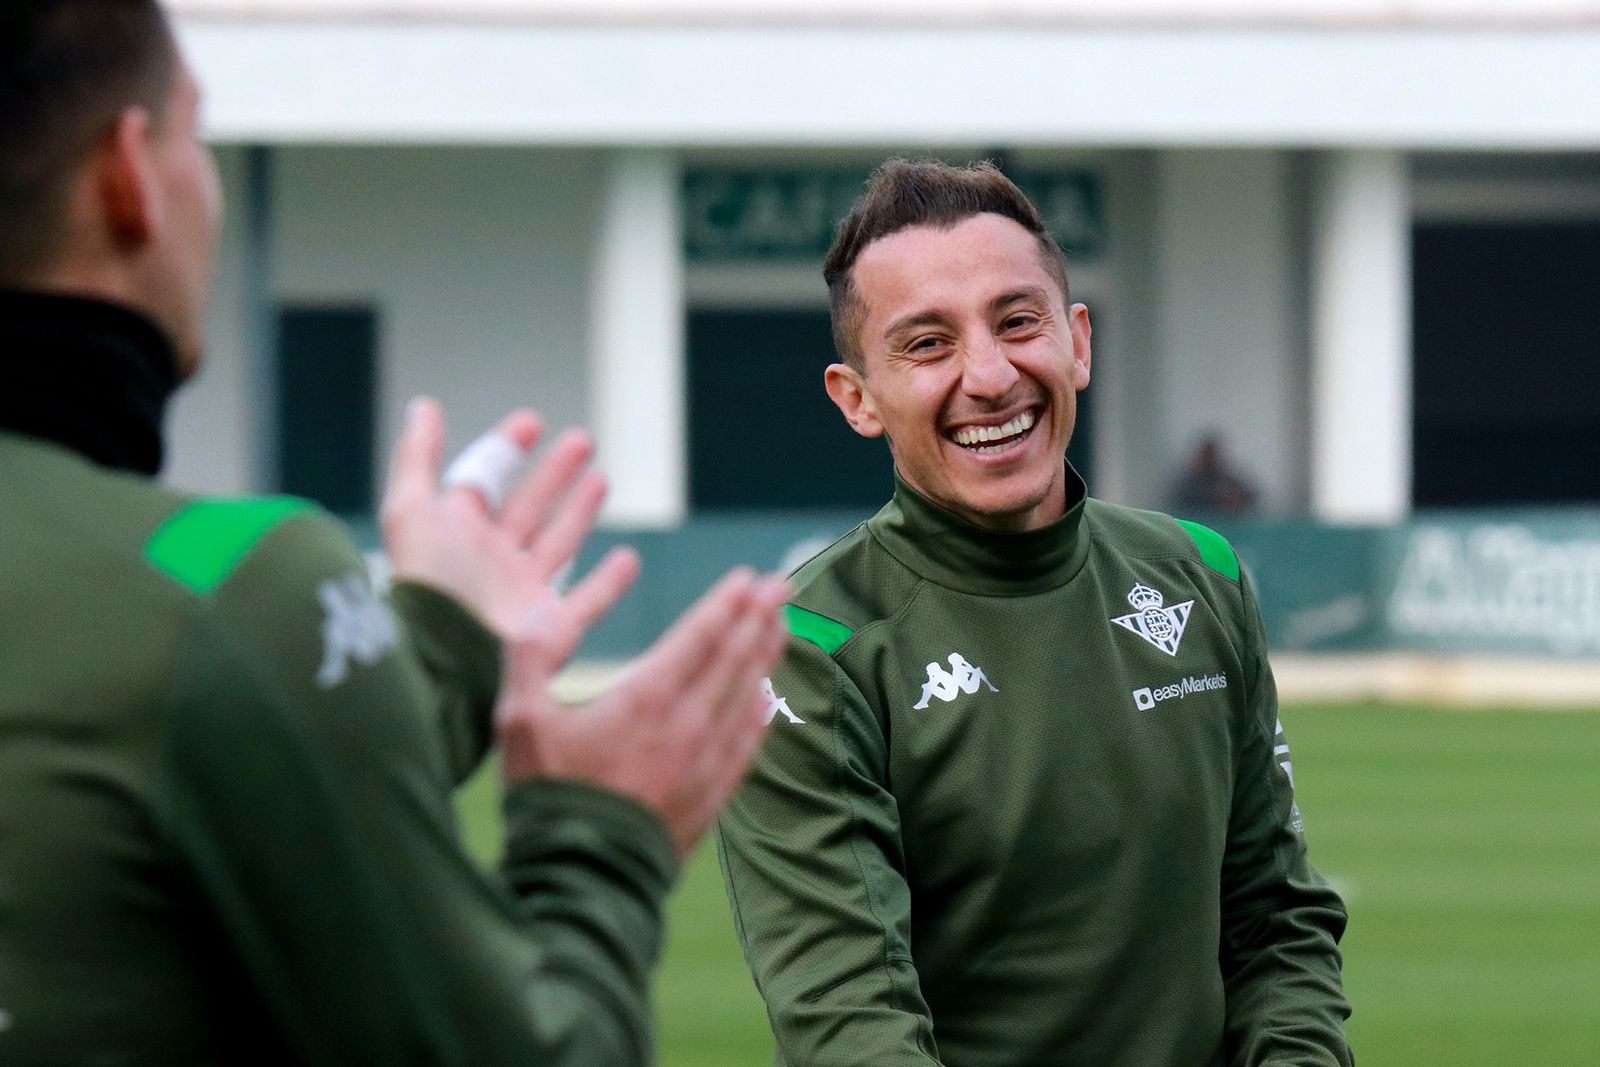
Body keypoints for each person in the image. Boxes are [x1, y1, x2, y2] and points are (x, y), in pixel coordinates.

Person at [0, 2, 787, 1062]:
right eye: (197, 134)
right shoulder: (232, 582)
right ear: (129, 172)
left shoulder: (187, 617)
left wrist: (442, 635)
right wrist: (598, 832)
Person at [717, 160, 1352, 1066]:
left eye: (1018, 322)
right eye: (927, 344)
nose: (989, 375)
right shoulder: (803, 650)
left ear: (1077, 343)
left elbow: (1275, 920)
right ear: (858, 398)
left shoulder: (1199, 573)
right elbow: (850, 1017)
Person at [1170, 433, 1261, 514]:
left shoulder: (1228, 480)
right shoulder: (1189, 483)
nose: (1210, 459)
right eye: (1207, 455)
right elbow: (1180, 502)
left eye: (1212, 455)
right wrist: (1213, 498)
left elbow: (1250, 496)